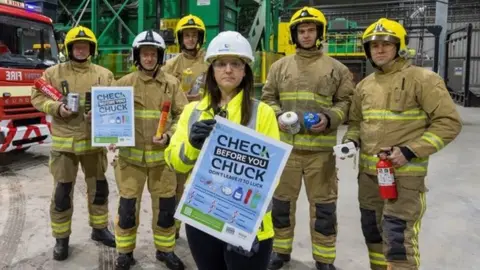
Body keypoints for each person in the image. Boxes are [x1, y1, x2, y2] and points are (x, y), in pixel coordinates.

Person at [342, 18, 462, 270]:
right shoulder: (364, 86)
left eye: (387, 43)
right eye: (374, 45)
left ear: (400, 46)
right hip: (368, 178)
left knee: (398, 239)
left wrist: (410, 151)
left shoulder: (423, 80)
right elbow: (355, 123)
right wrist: (350, 141)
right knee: (373, 233)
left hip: (404, 178)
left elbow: (448, 123)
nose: (380, 49)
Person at [164, 30, 279, 270]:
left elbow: (270, 175)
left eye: (235, 64)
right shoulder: (193, 111)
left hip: (247, 221)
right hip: (202, 218)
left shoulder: (262, 113)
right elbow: (176, 162)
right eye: (221, 64)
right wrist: (193, 145)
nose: (228, 70)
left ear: (245, 70)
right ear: (212, 70)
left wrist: (248, 224)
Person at [261, 6, 354, 270]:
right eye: (301, 31)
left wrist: (330, 118)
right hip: (286, 151)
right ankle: (280, 253)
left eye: (311, 30)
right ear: (294, 34)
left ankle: (324, 260)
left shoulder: (337, 69)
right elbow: (268, 98)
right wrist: (278, 115)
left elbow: (346, 102)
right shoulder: (279, 67)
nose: (306, 35)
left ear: (319, 33)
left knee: (324, 210)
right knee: (281, 206)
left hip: (320, 153)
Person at [30, 26, 116, 261]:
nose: (80, 50)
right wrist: (57, 108)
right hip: (64, 147)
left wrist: (101, 117)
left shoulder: (104, 74)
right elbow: (36, 97)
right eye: (76, 46)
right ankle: (61, 239)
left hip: (93, 145)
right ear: (69, 49)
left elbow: (114, 105)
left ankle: (99, 229)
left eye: (85, 46)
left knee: (99, 190)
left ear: (92, 48)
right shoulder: (52, 74)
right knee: (62, 194)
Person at [111, 29, 188, 270]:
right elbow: (111, 117)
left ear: (160, 56)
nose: (148, 58)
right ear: (137, 56)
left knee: (165, 208)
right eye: (144, 54)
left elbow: (183, 117)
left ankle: (165, 251)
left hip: (162, 161)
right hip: (129, 161)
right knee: (127, 209)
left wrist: (169, 135)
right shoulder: (123, 84)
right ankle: (125, 252)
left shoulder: (172, 84)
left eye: (153, 54)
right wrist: (108, 133)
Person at [161, 14, 209, 239]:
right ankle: (176, 230)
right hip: (182, 129)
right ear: (181, 38)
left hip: (209, 128)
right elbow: (164, 98)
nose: (190, 39)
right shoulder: (170, 65)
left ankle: (202, 230)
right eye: (187, 35)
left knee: (205, 181)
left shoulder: (211, 62)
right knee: (178, 184)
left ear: (200, 37)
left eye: (194, 35)